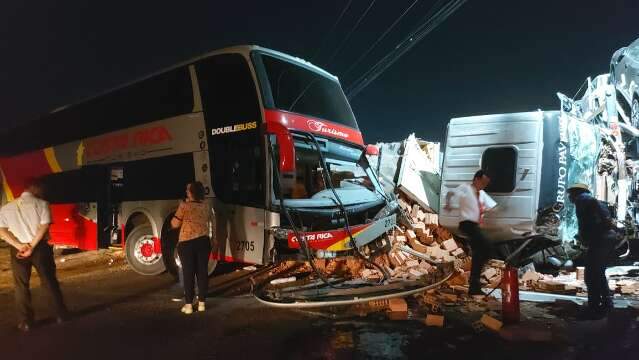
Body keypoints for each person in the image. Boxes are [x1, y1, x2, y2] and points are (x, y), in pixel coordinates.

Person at [0, 178, 68, 332]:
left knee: (21, 285)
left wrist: (19, 245)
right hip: (40, 249)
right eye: (41, 187)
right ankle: (60, 314)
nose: (43, 190)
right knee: (49, 281)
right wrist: (32, 246)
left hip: (18, 250)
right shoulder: (42, 204)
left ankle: (25, 322)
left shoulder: (6, 208)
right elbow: (44, 226)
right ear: (34, 187)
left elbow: (2, 231)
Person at [567, 183, 616, 320]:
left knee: (591, 275)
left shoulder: (582, 200)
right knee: (598, 273)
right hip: (607, 238)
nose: (569, 197)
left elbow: (586, 223)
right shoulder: (591, 200)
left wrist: (584, 236)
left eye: (570, 194)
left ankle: (594, 308)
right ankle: (606, 304)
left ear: (575, 193)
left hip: (600, 240)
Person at [444, 170, 497, 295]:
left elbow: (492, 206)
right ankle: (474, 283)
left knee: (482, 252)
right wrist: (448, 204)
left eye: (486, 184)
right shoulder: (465, 188)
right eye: (483, 182)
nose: (484, 185)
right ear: (476, 179)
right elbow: (450, 193)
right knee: (486, 247)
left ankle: (474, 285)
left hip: (475, 225)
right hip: (466, 224)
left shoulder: (482, 194)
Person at [171, 181, 212, 315]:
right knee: (202, 272)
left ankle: (188, 305)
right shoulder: (206, 206)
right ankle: (202, 304)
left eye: (188, 190)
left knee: (188, 273)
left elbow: (175, 224)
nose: (186, 192)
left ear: (192, 192)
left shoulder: (184, 206)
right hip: (204, 242)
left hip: (187, 243)